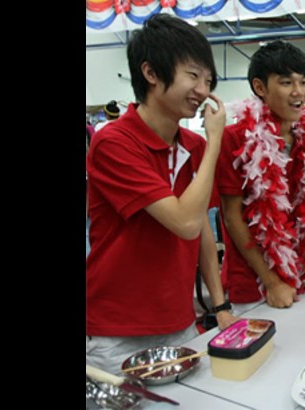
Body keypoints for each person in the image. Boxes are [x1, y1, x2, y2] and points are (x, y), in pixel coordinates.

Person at [86, 13, 237, 373]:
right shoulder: (114, 142)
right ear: (151, 73)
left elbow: (201, 226)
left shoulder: (194, 146)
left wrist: (220, 307)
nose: (203, 89)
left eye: (208, 79)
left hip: (180, 322)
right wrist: (216, 140)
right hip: (116, 330)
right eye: (193, 75)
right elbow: (183, 222)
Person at [215, 41, 305, 313]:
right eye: (286, 82)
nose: (298, 92)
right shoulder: (235, 139)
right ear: (260, 88)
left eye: (303, 82)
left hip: (302, 275)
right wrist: (271, 282)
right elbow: (232, 218)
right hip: (255, 283)